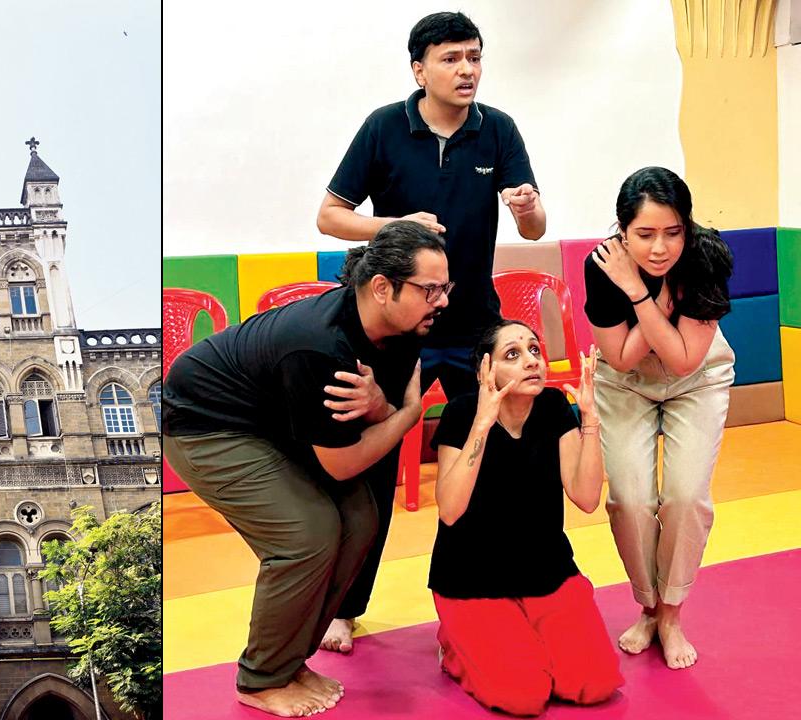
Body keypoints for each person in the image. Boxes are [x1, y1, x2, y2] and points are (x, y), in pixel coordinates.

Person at [315, 10, 547, 652]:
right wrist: (392, 225)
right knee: (376, 472)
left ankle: (492, 590)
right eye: (451, 58)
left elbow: (533, 229)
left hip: (475, 325)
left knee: (491, 459)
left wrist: (529, 211)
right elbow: (329, 216)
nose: (467, 69)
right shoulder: (385, 127)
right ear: (419, 69)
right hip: (400, 333)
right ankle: (345, 606)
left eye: (474, 56)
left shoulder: (498, 130)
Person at [162, 221, 446, 717]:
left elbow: (374, 415)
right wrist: (405, 415)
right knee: (305, 533)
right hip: (204, 425)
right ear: (382, 288)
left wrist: (387, 409)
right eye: (430, 289)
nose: (441, 300)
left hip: (271, 422)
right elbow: (343, 463)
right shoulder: (320, 346)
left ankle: (290, 661)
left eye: (446, 288)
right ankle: (261, 679)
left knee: (361, 516)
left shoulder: (403, 327)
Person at [429, 320, 623, 716]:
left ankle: (525, 631)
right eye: (512, 355)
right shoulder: (462, 411)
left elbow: (586, 498)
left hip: (546, 571)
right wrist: (484, 420)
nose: (531, 361)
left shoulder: (553, 407)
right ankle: (454, 646)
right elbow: (450, 509)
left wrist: (590, 417)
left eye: (534, 350)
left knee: (595, 683)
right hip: (472, 579)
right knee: (523, 695)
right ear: (486, 370)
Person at [585, 166, 734, 670]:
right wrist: (647, 293)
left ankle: (671, 613)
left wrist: (650, 295)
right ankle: (647, 606)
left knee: (686, 496)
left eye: (673, 233)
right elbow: (623, 358)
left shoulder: (706, 258)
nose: (659, 248)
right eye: (644, 234)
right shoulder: (602, 266)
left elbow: (684, 359)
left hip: (697, 377)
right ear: (621, 231)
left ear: (687, 227)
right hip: (625, 381)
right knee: (629, 497)